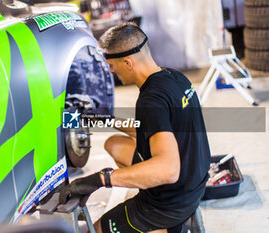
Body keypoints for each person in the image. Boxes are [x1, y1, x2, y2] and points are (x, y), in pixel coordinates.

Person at [59, 22, 211, 233]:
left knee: (97, 230)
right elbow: (150, 128)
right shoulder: (175, 78)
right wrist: (102, 119)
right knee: (115, 144)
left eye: (112, 65)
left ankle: (167, 226)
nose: (111, 72)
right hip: (194, 183)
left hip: (170, 202)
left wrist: (101, 179)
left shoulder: (151, 100)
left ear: (128, 63)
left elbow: (168, 170)